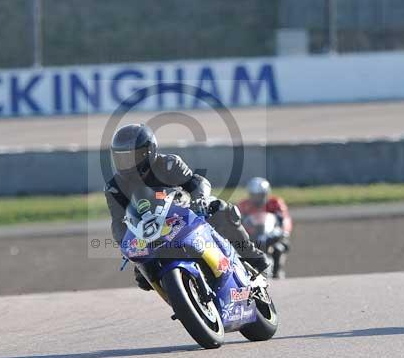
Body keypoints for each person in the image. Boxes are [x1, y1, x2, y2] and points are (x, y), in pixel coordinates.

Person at [105, 124, 270, 291]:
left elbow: (197, 183)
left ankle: (254, 258)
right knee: (143, 278)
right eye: (122, 158)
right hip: (149, 232)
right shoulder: (115, 187)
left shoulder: (169, 164)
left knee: (221, 209)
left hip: (184, 215)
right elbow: (118, 222)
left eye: (133, 157)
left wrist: (200, 200)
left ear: (150, 151)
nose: (128, 164)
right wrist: (125, 245)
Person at [238, 177, 293, 279]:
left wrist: (284, 231)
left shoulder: (275, 203)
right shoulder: (243, 205)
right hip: (251, 237)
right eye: (254, 195)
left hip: (272, 236)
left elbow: (285, 219)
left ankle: (278, 271)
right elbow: (236, 222)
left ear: (266, 194)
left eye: (260, 195)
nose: (257, 198)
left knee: (279, 247)